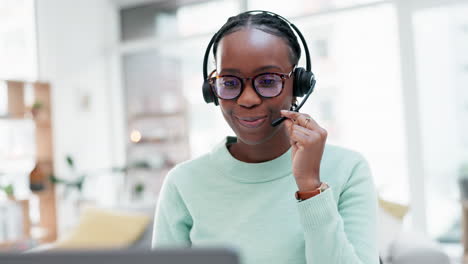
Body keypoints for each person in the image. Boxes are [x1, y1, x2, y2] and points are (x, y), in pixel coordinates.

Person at [152, 10, 379, 264]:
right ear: (212, 90)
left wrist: (310, 187)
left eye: (268, 80)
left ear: (300, 85)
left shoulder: (348, 170)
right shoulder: (183, 182)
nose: (248, 99)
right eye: (229, 83)